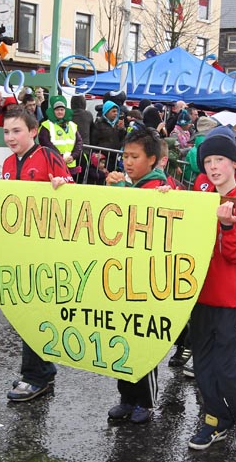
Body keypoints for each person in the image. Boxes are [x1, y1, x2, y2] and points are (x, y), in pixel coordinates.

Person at [187, 131, 236, 451]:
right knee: (203, 365)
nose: (213, 167)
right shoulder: (199, 194)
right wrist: (163, 196)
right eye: (207, 161)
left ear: (234, 163)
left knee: (229, 366)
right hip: (200, 294)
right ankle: (215, 418)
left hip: (233, 298)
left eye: (219, 160)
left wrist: (228, 227)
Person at [0, 106, 72, 401]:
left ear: (32, 131)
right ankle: (42, 371)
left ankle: (36, 375)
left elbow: (73, 193)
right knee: (24, 310)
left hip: (46, 250)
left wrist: (62, 184)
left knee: (35, 310)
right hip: (19, 250)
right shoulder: (6, 163)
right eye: (6, 131)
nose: (10, 137)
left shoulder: (48, 156)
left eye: (16, 131)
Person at [104, 127, 171, 424]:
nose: (128, 162)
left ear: (153, 159)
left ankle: (145, 400)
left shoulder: (160, 189)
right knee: (122, 338)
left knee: (142, 341)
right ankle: (126, 397)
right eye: (125, 156)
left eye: (135, 157)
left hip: (145, 278)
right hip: (121, 275)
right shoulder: (129, 185)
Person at [38, 95, 83, 180]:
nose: (60, 112)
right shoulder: (46, 125)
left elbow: (79, 143)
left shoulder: (72, 125)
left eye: (62, 110)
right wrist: (59, 157)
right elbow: (46, 143)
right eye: (57, 110)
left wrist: (73, 156)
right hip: (53, 164)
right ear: (53, 111)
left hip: (70, 166)